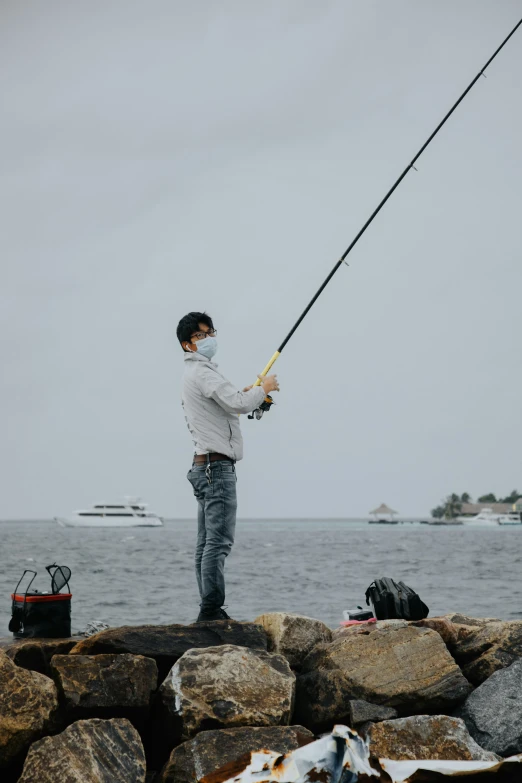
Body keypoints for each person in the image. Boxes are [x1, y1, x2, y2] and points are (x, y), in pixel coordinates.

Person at [177, 311, 279, 622]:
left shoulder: (199, 374)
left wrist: (250, 393)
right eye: (200, 336)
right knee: (218, 543)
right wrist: (266, 388)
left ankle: (209, 608)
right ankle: (211, 611)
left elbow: (232, 400)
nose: (208, 340)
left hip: (203, 465)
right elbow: (237, 405)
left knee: (206, 543)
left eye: (210, 333)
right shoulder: (203, 373)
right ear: (187, 345)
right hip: (216, 469)